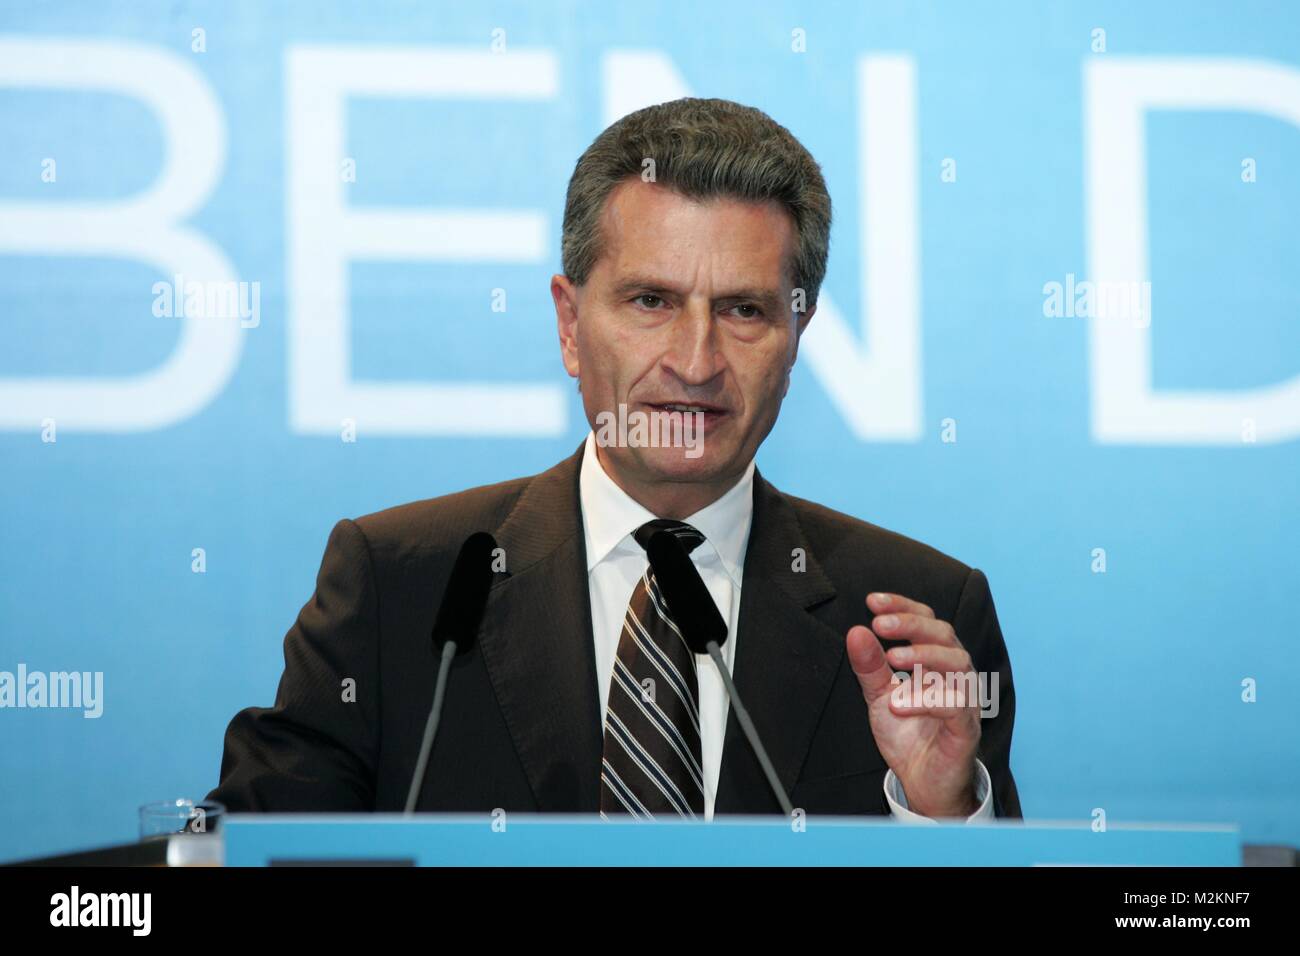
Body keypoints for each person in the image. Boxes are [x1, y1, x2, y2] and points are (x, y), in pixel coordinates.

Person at [209, 97, 1021, 822]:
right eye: (650, 302)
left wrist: (941, 815)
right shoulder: (400, 587)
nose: (696, 361)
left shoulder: (916, 621)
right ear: (569, 324)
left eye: (743, 310)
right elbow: (249, 848)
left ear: (796, 338)